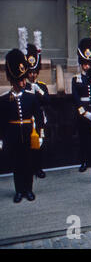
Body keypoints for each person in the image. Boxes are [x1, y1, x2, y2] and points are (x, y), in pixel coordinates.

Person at [0, 48, 44, 203]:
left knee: (29, 163)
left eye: (24, 79)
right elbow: (2, 122)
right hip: (13, 136)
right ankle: (19, 190)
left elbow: (39, 117)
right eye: (20, 80)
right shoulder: (4, 99)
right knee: (17, 164)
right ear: (12, 81)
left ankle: (29, 189)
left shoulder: (31, 98)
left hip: (29, 134)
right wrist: (1, 139)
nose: (23, 82)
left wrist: (40, 135)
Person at [22, 29, 50, 178]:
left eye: (34, 73)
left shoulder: (41, 85)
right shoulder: (23, 86)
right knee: (27, 145)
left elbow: (47, 101)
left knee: (40, 143)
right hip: (27, 119)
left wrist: (39, 90)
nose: (32, 75)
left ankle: (38, 168)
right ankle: (29, 168)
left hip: (39, 119)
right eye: (30, 73)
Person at [72, 25, 91, 173]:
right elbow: (76, 98)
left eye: (89, 63)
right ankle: (83, 161)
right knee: (83, 139)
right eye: (85, 63)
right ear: (81, 63)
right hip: (83, 113)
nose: (87, 66)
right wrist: (83, 112)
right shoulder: (76, 79)